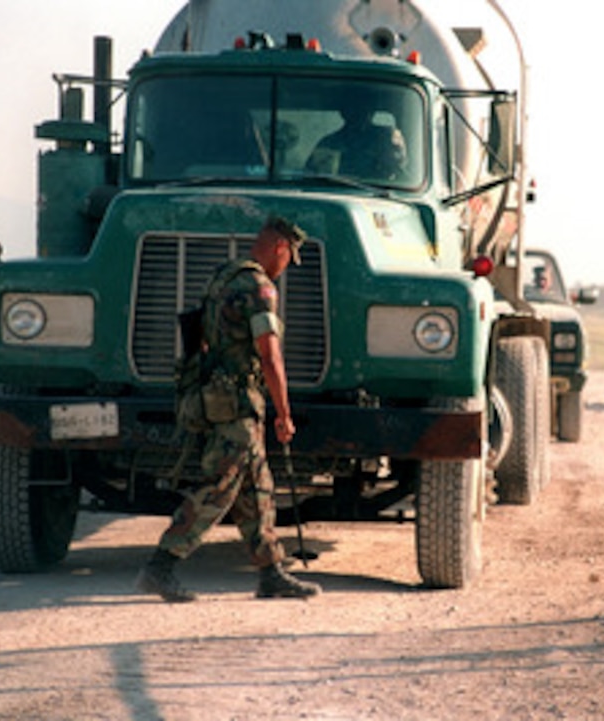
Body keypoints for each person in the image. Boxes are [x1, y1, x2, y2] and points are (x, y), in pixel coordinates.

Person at [135, 215, 322, 602]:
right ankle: (161, 565)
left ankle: (271, 573)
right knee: (219, 487)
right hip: (237, 404)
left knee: (258, 490)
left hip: (220, 396)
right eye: (289, 258)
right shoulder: (260, 288)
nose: (286, 268)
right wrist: (284, 414)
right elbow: (270, 357)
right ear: (280, 248)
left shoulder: (223, 277)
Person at [306, 95, 407, 181]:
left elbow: (399, 171)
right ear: (343, 112)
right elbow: (311, 178)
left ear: (372, 111)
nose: (358, 113)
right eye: (352, 108)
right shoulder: (329, 143)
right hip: (337, 192)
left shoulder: (386, 138)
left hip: (380, 194)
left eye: (364, 108)